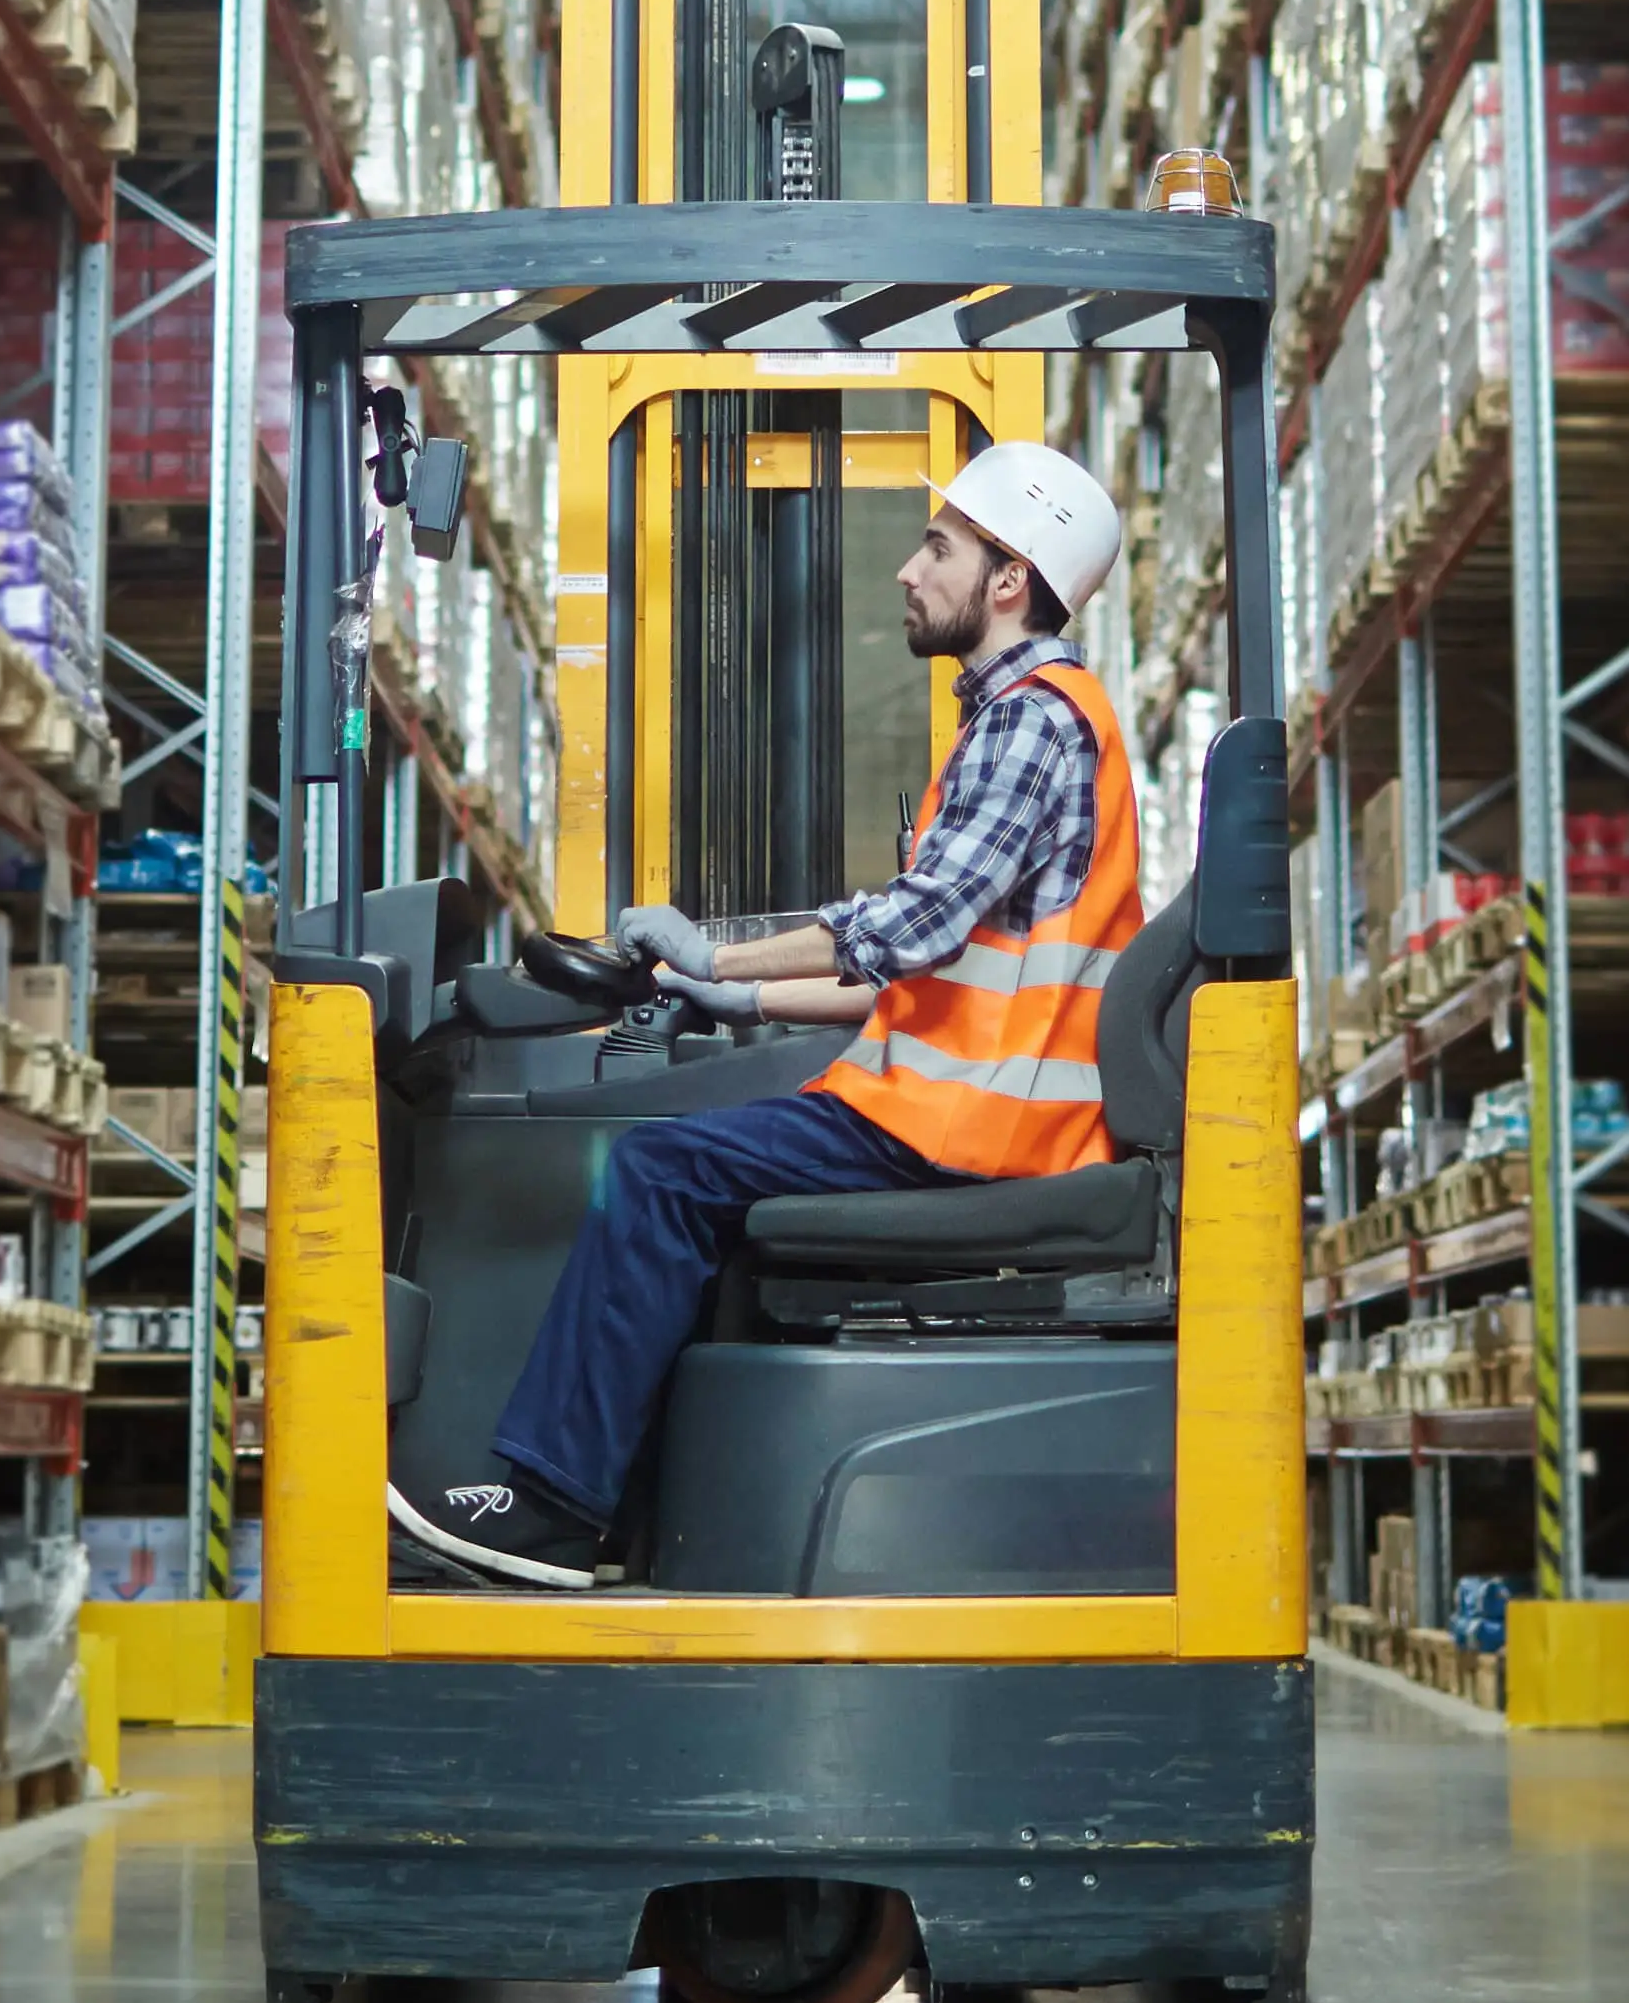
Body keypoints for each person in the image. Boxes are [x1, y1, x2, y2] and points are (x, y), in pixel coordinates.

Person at [390, 436, 1139, 1592]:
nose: (907, 569)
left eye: (938, 546)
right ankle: (609, 1502)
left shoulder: (1032, 723)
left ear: (1006, 581)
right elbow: (912, 966)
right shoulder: (1014, 722)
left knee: (658, 1173)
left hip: (970, 1135)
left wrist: (718, 943)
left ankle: (546, 1508)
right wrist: (729, 991)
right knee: (697, 1176)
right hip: (942, 1112)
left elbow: (913, 924)